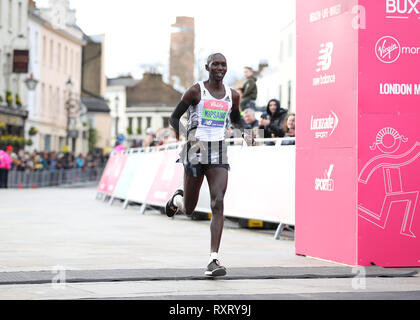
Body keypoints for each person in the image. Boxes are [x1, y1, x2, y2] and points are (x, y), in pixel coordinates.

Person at [166, 53, 247, 277]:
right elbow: (174, 119)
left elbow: (236, 118)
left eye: (223, 65)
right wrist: (188, 136)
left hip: (218, 151)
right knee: (190, 209)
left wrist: (247, 133)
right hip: (194, 150)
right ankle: (177, 199)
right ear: (207, 67)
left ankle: (213, 259)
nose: (220, 68)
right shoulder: (195, 91)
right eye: (215, 64)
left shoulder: (233, 95)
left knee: (218, 201)